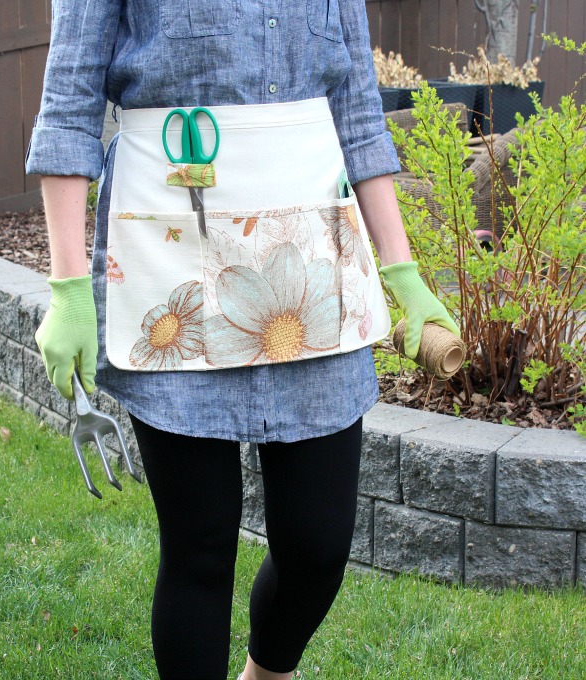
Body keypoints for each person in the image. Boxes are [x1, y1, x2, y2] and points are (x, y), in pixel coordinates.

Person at [26, 2, 459, 679]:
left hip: (312, 263)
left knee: (317, 544)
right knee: (199, 545)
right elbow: (68, 106)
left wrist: (403, 273)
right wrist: (67, 285)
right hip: (170, 261)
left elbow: (356, 115)